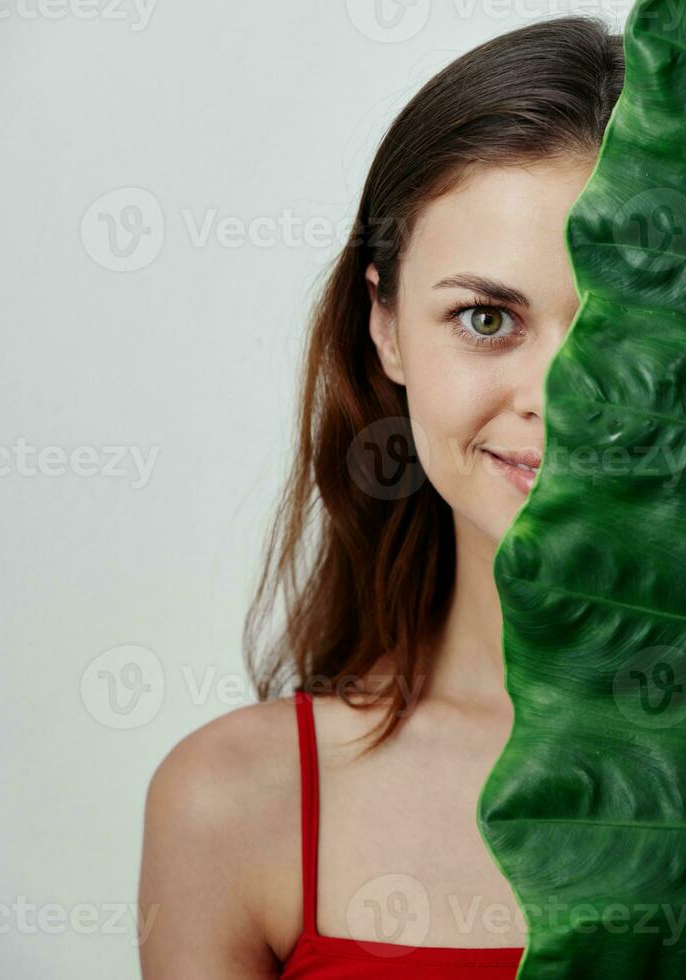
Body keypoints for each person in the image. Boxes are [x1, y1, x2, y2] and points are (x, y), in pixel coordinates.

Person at [137, 17, 625, 977]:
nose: (556, 394)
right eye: (485, 318)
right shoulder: (236, 803)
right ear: (388, 330)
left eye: (620, 324)